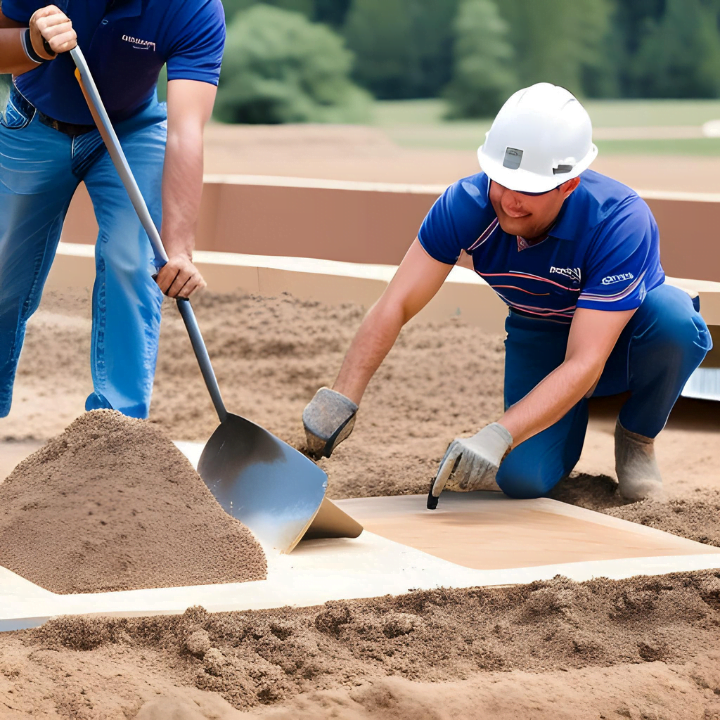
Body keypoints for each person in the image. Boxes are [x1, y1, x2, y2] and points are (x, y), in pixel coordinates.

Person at [302, 83, 712, 505]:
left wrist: (498, 433)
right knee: (523, 480)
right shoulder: (467, 204)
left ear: (568, 185)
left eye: (529, 189)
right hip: (540, 332)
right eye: (502, 181)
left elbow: (586, 360)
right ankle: (562, 422)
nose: (511, 201)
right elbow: (397, 302)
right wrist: (343, 395)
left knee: (676, 323)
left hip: (623, 339)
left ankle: (637, 436)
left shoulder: (620, 221)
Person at [0, 0, 224, 419]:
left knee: (131, 260)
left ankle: (116, 431)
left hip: (131, 132)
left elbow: (185, 131)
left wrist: (178, 250)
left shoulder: (194, 8)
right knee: (2, 270)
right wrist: (31, 45)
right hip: (33, 123)